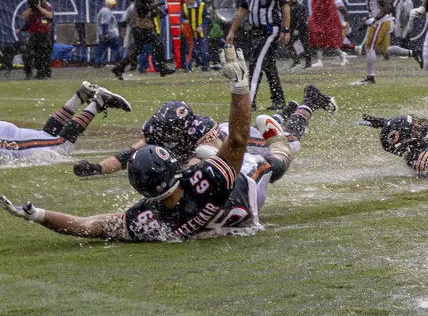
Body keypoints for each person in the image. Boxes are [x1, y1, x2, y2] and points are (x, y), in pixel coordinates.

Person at [2, 49, 291, 241]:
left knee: (233, 157)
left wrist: (40, 215)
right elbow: (237, 142)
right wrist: (239, 88)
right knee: (274, 162)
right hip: (241, 191)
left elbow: (88, 225)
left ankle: (282, 131)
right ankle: (280, 138)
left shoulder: (147, 219)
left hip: (225, 188)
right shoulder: (204, 177)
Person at [73, 85, 336, 179]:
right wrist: (97, 168)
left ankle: (308, 103)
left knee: (291, 144)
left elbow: (223, 156)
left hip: (232, 140)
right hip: (219, 142)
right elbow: (129, 154)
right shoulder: (154, 129)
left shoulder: (201, 128)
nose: (169, 136)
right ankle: (282, 114)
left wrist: (182, 170)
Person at [0, 82, 130, 161]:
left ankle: (99, 101)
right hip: (5, 135)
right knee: (47, 136)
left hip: (6, 140)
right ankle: (80, 96)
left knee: (59, 147)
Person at [225, 0, 290, 110]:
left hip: (269, 30)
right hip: (255, 31)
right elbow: (242, 11)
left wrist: (285, 29)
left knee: (256, 64)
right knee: (268, 65)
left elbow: (285, 5)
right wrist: (232, 31)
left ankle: (249, 101)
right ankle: (279, 100)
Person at [112, 0, 174, 79]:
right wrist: (154, 5)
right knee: (156, 45)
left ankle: (119, 68)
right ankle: (162, 67)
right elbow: (142, 12)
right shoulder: (140, 2)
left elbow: (152, 15)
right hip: (140, 29)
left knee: (138, 50)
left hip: (146, 28)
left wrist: (160, 12)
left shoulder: (150, 2)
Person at [353, 0, 393, 85]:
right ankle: (412, 53)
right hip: (380, 20)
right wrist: (369, 17)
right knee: (378, 49)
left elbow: (386, 7)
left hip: (381, 21)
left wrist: (374, 19)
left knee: (369, 47)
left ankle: (370, 77)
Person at [308, 0, 348, 67]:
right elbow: (316, 11)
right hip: (320, 24)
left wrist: (344, 22)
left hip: (329, 24)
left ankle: (342, 54)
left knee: (332, 43)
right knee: (320, 43)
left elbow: (331, 11)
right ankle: (319, 61)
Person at [21, 0, 54, 80]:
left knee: (44, 55)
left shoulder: (47, 6)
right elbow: (24, 16)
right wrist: (31, 7)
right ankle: (28, 73)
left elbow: (50, 15)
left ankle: (43, 73)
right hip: (32, 34)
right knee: (27, 54)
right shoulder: (31, 8)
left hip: (44, 34)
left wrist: (39, 7)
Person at [181, 0, 211, 72]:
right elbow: (181, 17)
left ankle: (204, 66)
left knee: (203, 49)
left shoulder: (202, 5)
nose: (189, 0)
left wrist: (202, 26)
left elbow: (207, 17)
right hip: (189, 33)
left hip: (200, 31)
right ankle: (188, 67)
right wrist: (183, 20)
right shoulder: (184, 6)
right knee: (188, 50)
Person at [94, 0, 122, 67]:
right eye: (112, 4)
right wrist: (105, 33)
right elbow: (105, 23)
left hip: (105, 34)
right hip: (110, 34)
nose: (113, 5)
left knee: (101, 49)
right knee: (116, 48)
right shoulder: (106, 11)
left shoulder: (104, 11)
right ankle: (119, 62)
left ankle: (97, 63)